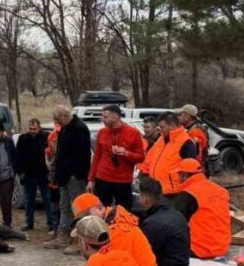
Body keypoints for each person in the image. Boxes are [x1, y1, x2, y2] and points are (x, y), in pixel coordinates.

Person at [70, 192, 163, 266]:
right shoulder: (111, 226)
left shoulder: (118, 232)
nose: (85, 223)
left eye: (87, 217)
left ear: (100, 208)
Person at [44, 105, 90, 251]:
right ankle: (63, 236)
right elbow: (61, 153)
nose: (57, 123)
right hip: (63, 176)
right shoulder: (64, 128)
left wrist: (75, 174)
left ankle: (79, 240)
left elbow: (83, 155)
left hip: (75, 177)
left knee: (77, 208)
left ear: (65, 116)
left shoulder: (80, 129)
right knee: (64, 206)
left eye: (58, 119)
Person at [87, 105, 146, 211]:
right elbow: (97, 157)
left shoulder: (133, 133)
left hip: (123, 180)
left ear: (115, 117)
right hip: (103, 178)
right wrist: (91, 180)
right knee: (101, 211)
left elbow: (141, 157)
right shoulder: (102, 132)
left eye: (105, 117)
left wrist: (126, 153)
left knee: (124, 212)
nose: (102, 119)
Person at [134, 177, 190, 266]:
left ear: (145, 199)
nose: (138, 199)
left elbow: (145, 254)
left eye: (139, 196)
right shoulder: (176, 214)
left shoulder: (152, 223)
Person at [171, 159, 232, 260]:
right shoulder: (220, 190)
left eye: (179, 175)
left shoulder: (188, 194)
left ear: (184, 175)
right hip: (222, 247)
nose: (178, 178)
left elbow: (173, 223)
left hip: (198, 250)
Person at [138, 112, 198, 199]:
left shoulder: (186, 142)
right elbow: (150, 158)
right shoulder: (161, 139)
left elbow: (191, 170)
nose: (160, 130)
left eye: (162, 127)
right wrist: (143, 175)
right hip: (155, 190)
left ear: (172, 125)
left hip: (173, 193)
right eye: (159, 127)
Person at [15, 118, 52, 232]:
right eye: (30, 129)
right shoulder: (23, 139)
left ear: (39, 128)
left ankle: (51, 223)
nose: (32, 131)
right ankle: (29, 222)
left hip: (43, 174)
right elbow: (18, 157)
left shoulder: (46, 137)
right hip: (29, 174)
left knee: (48, 199)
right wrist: (20, 172)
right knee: (29, 200)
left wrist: (50, 171)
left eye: (34, 129)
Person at [179, 104, 208, 168]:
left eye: (180, 115)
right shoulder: (191, 130)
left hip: (193, 168)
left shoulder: (196, 132)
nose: (178, 117)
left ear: (187, 117)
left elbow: (196, 156)